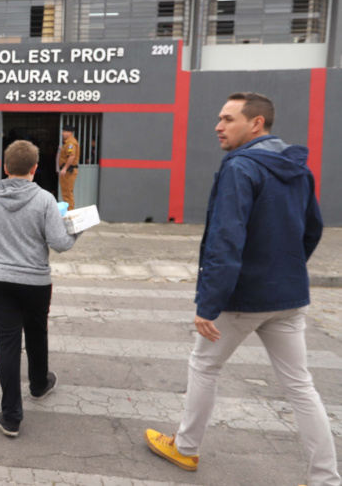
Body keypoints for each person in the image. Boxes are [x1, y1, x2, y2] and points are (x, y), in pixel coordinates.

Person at [144, 92, 339, 486]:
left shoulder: (240, 167)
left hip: (243, 297)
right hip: (288, 296)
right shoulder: (298, 168)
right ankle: (326, 478)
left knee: (204, 365)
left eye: (228, 119)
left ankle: (185, 449)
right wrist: (285, 270)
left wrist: (208, 303)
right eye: (219, 118)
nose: (218, 126)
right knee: (301, 386)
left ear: (256, 124)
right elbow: (312, 229)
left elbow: (225, 240)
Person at [0, 140, 77, 438]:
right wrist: (74, 227)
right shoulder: (44, 199)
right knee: (37, 332)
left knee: (7, 344)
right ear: (34, 168)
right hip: (35, 282)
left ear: (5, 167)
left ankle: (12, 417)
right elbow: (60, 243)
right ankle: (39, 385)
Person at [57, 124, 79, 209]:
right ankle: (68, 211)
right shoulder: (68, 142)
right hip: (67, 171)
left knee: (67, 193)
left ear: (70, 132)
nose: (62, 133)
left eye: (64, 131)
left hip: (69, 171)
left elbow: (72, 156)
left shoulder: (70, 143)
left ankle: (70, 212)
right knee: (66, 192)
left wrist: (64, 169)